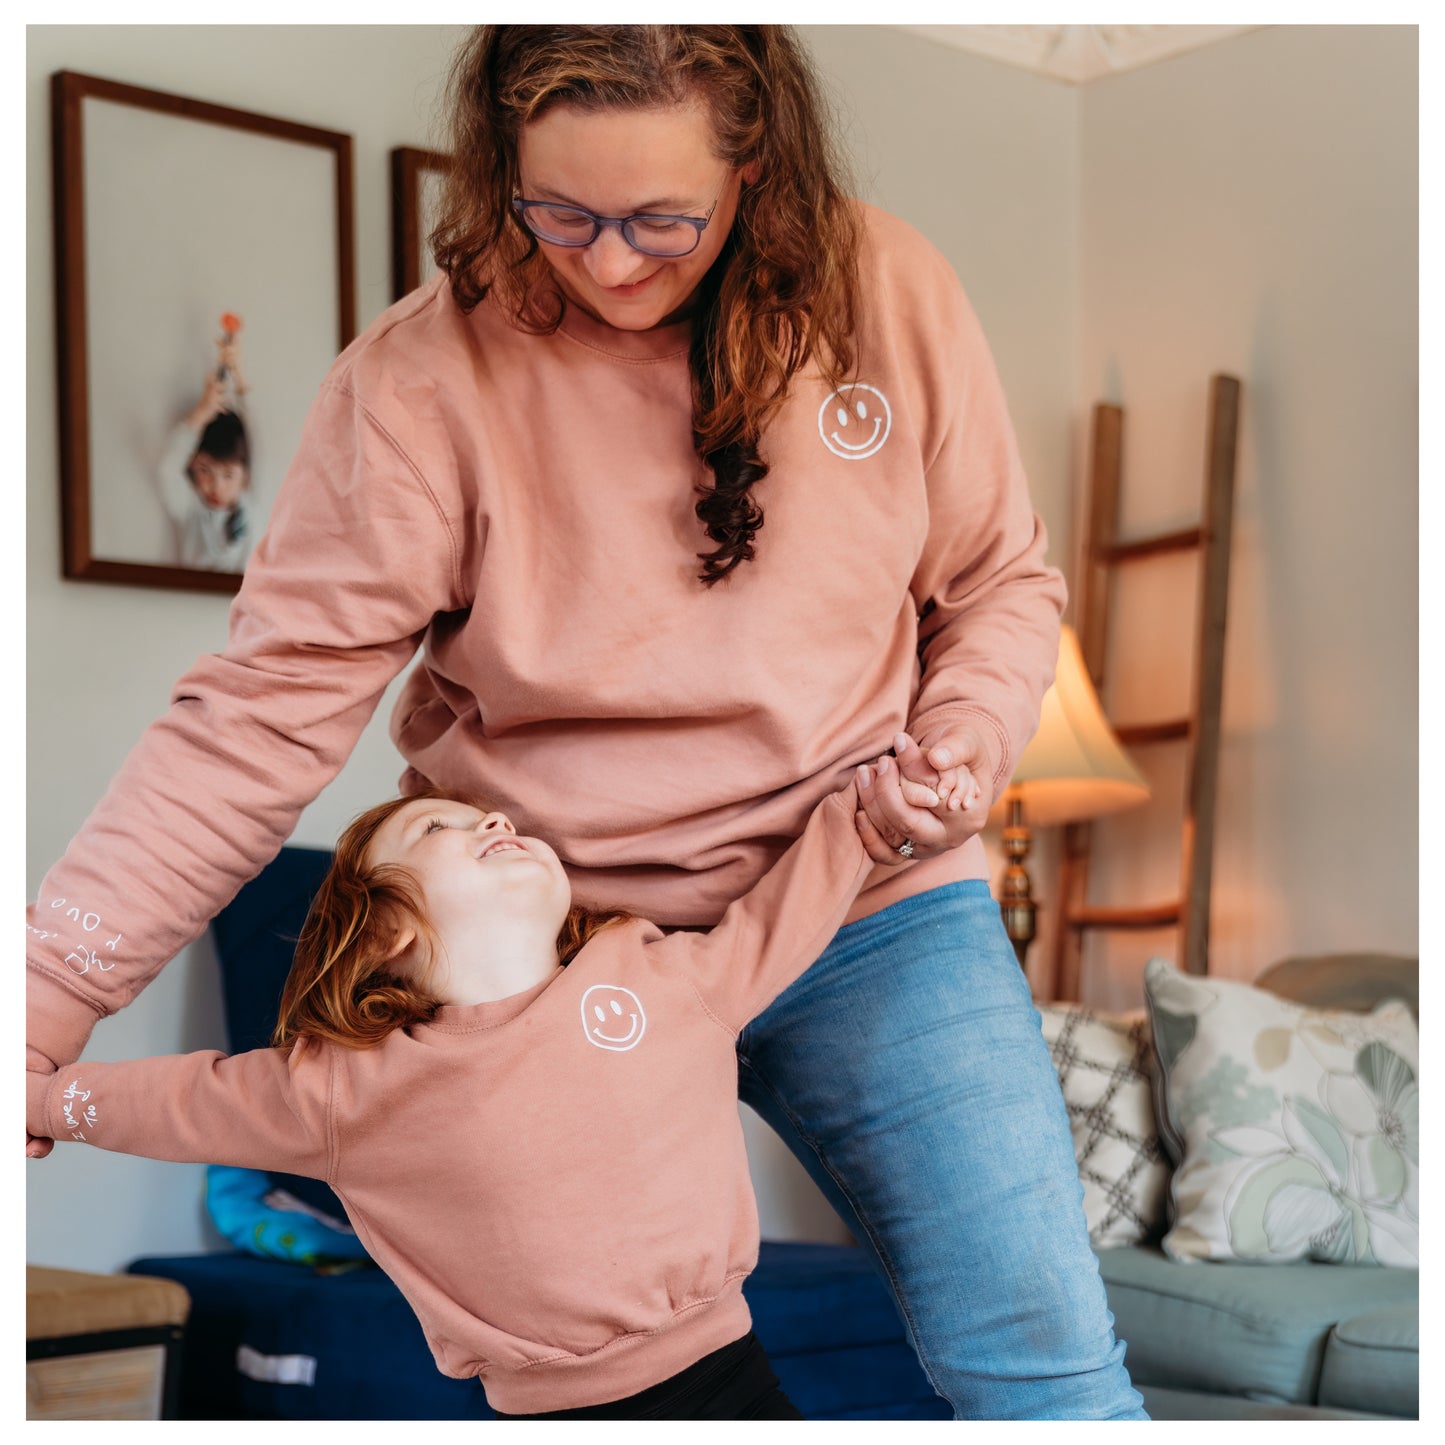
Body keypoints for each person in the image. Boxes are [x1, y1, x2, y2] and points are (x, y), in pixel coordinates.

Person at [27, 25, 1146, 1419]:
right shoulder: (416, 380)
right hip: (537, 957)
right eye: (559, 215)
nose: (610, 262)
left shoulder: (887, 290)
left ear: (756, 170)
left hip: (867, 902)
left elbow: (995, 583)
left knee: (1037, 1352)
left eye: (661, 220)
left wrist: (968, 743)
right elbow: (258, 713)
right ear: (498, 166)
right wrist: (46, 999)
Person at [30, 774, 880, 1419]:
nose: (496, 822)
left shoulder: (655, 975)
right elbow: (178, 1101)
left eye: (496, 819)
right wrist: (39, 1100)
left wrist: (867, 817)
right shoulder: (345, 1087)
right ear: (387, 930)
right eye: (441, 826)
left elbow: (782, 914)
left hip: (737, 1382)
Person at [155, 341, 252, 571]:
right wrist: (201, 413)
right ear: (191, 466)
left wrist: (237, 376)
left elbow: (254, 435)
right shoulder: (189, 508)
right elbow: (167, 470)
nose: (216, 486)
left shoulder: (252, 506)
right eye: (205, 470)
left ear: (245, 475)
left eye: (228, 474)